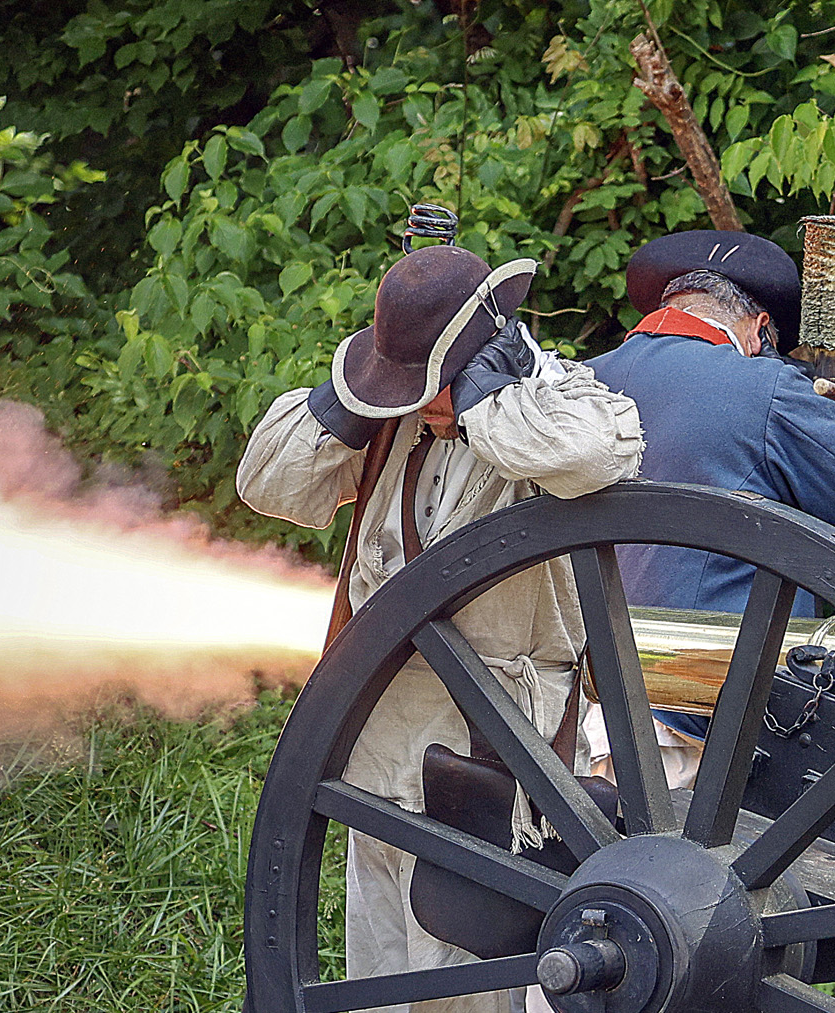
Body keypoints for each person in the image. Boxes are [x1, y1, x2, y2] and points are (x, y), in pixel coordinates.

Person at [237, 244, 643, 1013]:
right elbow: (267, 482)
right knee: (380, 974)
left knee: (477, 982)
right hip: (380, 739)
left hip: (491, 743)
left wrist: (484, 398)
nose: (414, 401)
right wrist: (356, 400)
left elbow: (599, 452)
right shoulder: (391, 421)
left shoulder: (545, 400)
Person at [582, 230, 835, 787]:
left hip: (576, 706)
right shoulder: (762, 387)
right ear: (760, 329)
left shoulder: (575, 381)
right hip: (696, 722)